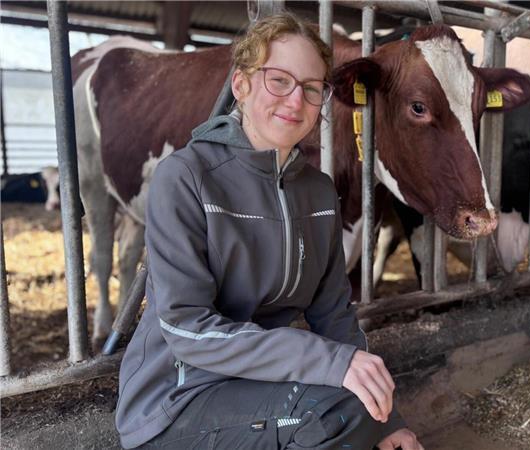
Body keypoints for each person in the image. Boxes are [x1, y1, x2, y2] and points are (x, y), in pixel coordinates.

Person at [115, 13, 423, 450]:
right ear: (241, 85)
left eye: (312, 88)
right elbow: (187, 329)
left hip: (263, 388)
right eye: (279, 81)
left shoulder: (318, 192)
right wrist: (331, 364)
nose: (296, 101)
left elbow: (334, 316)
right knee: (333, 414)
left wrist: (387, 419)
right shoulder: (186, 177)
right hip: (178, 399)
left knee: (356, 408)